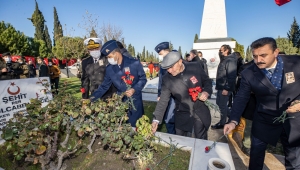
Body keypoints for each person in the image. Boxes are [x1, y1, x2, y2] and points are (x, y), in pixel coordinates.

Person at [224, 37, 300, 169]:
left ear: (276, 52)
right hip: (264, 119)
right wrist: (233, 121)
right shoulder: (248, 73)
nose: (258, 60)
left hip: (293, 120)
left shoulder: (296, 62)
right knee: (256, 155)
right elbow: (241, 97)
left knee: (294, 159)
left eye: (263, 55)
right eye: (255, 56)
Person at [151, 51, 212, 139]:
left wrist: (206, 92)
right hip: (182, 113)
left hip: (199, 111)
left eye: (171, 67)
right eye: (167, 68)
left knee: (200, 141)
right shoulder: (167, 79)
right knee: (181, 141)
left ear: (180, 62)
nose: (170, 71)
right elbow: (163, 100)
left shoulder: (195, 67)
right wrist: (156, 120)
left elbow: (207, 81)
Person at [91, 40, 147, 127]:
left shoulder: (134, 63)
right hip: (120, 103)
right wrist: (91, 99)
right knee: (122, 128)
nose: (108, 59)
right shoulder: (110, 69)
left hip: (135, 102)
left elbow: (143, 79)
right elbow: (104, 87)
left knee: (135, 127)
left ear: (116, 53)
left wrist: (134, 89)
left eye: (109, 57)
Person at [211, 45, 237, 129]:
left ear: (226, 51)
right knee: (219, 103)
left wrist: (226, 88)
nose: (219, 51)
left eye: (221, 50)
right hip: (221, 86)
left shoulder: (230, 60)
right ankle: (234, 118)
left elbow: (231, 75)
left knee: (222, 105)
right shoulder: (224, 60)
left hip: (225, 88)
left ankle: (222, 123)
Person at [155, 42, 176, 134]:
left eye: (160, 54)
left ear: (165, 51)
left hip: (175, 93)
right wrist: (160, 94)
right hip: (166, 93)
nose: (160, 56)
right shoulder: (163, 63)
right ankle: (172, 134)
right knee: (167, 115)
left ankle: (174, 136)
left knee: (170, 117)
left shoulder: (176, 60)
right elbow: (161, 80)